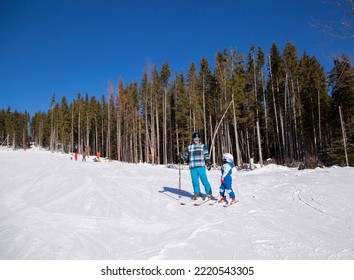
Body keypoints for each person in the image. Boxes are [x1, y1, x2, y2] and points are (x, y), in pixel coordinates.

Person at [180, 132, 214, 201]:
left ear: (199, 139)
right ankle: (197, 193)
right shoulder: (190, 147)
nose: (196, 140)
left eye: (198, 139)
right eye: (195, 139)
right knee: (195, 181)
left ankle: (209, 193)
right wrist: (182, 159)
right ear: (193, 139)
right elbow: (186, 156)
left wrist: (208, 162)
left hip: (201, 166)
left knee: (204, 180)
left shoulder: (202, 146)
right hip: (192, 167)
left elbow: (206, 155)